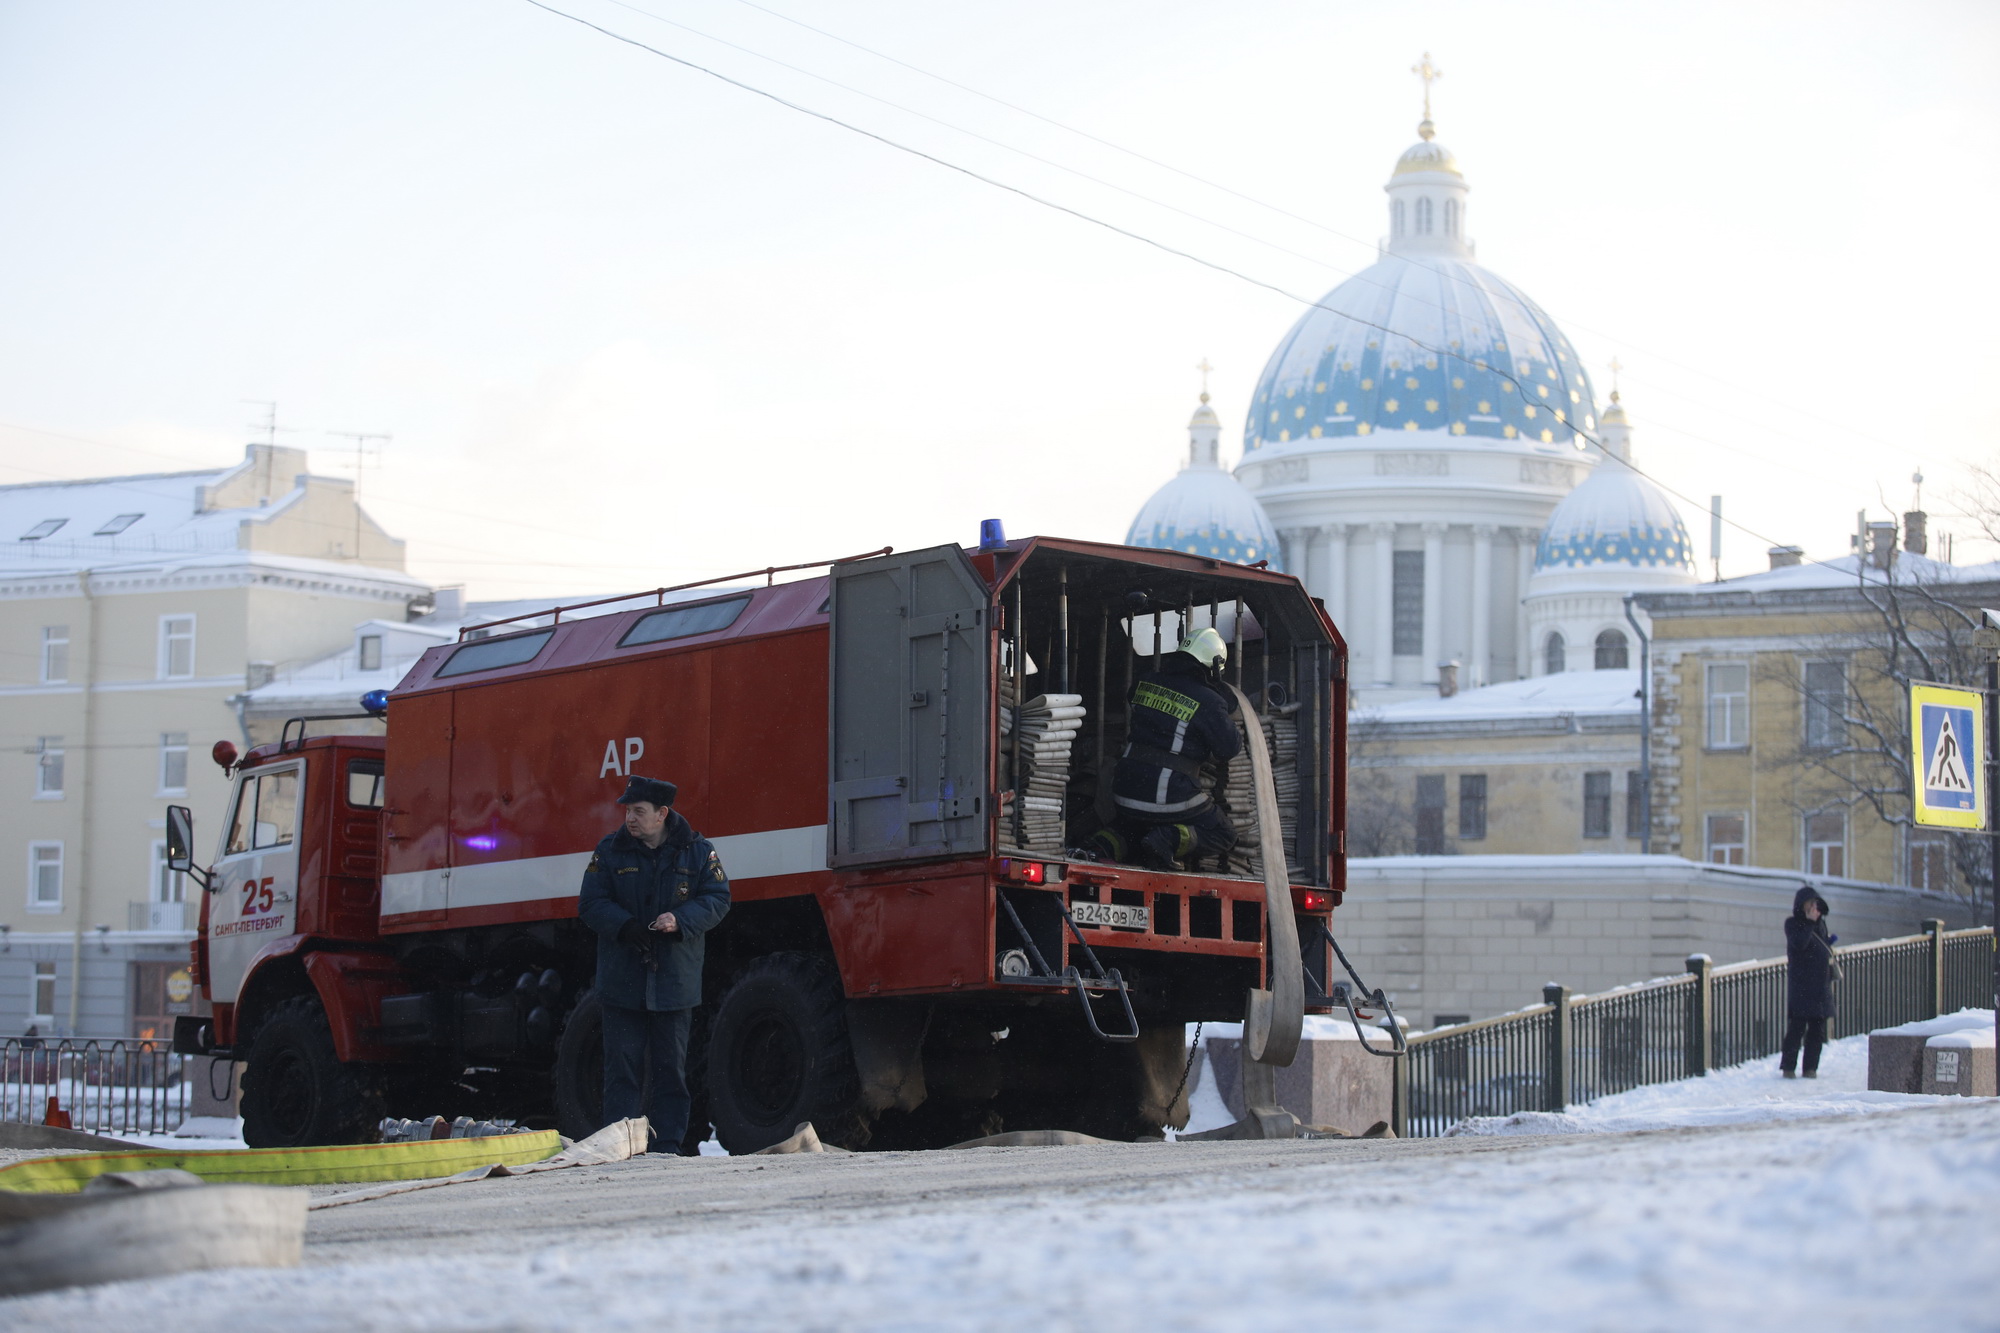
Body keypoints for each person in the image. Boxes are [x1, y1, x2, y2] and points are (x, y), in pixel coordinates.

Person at [578, 775, 730, 1151]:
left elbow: (717, 898)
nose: (630, 818)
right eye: (628, 810)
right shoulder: (610, 852)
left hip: (674, 981)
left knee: (670, 1072)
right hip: (622, 980)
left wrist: (681, 921)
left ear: (662, 814)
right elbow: (591, 903)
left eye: (638, 811)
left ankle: (668, 1146)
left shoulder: (697, 852)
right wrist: (625, 926)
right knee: (622, 1071)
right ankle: (619, 1145)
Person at [1086, 627, 1242, 871]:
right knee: (1223, 833)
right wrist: (1221, 695)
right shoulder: (1209, 701)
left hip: (1125, 790)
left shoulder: (1146, 682)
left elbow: (1139, 699)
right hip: (1167, 793)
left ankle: (1101, 846)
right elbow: (1229, 748)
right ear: (1213, 666)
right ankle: (1165, 841)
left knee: (1133, 826)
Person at [1780, 886, 1838, 1079]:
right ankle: (1788, 1067)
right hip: (1802, 986)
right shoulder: (1793, 924)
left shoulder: (1820, 924)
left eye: (1816, 904)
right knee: (1797, 1028)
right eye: (1810, 904)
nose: (1814, 908)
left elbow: (1820, 947)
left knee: (1817, 1030)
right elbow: (1799, 944)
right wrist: (1810, 923)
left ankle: (1810, 1068)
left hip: (1820, 985)